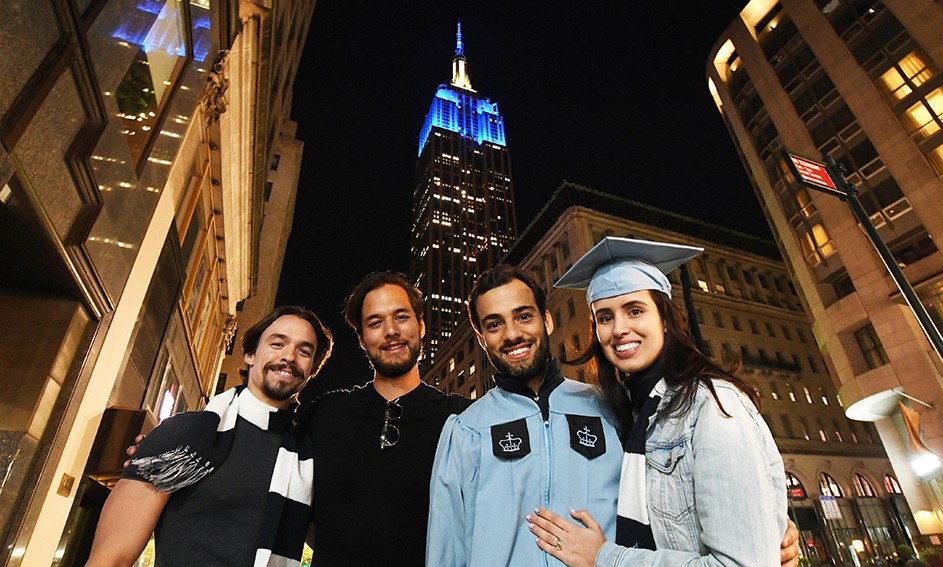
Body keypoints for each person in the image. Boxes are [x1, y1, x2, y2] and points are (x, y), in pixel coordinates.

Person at [529, 236, 788, 566]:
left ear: (665, 318)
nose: (619, 329)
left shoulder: (712, 405)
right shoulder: (626, 413)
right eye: (605, 317)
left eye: (634, 310)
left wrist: (604, 558)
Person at [87, 305, 333, 566]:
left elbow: (342, 541)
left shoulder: (309, 459)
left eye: (304, 351)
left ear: (311, 371)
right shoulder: (183, 435)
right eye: (277, 344)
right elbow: (111, 559)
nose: (290, 357)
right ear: (250, 354)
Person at [426, 264, 625, 566]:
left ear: (546, 320)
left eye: (523, 316)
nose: (512, 334)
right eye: (494, 325)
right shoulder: (466, 430)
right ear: (481, 339)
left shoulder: (607, 410)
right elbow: (446, 550)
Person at [304, 271, 471, 566]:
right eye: (375, 322)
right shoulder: (325, 415)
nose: (391, 330)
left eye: (401, 317)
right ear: (361, 339)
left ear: (421, 326)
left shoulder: (461, 418)